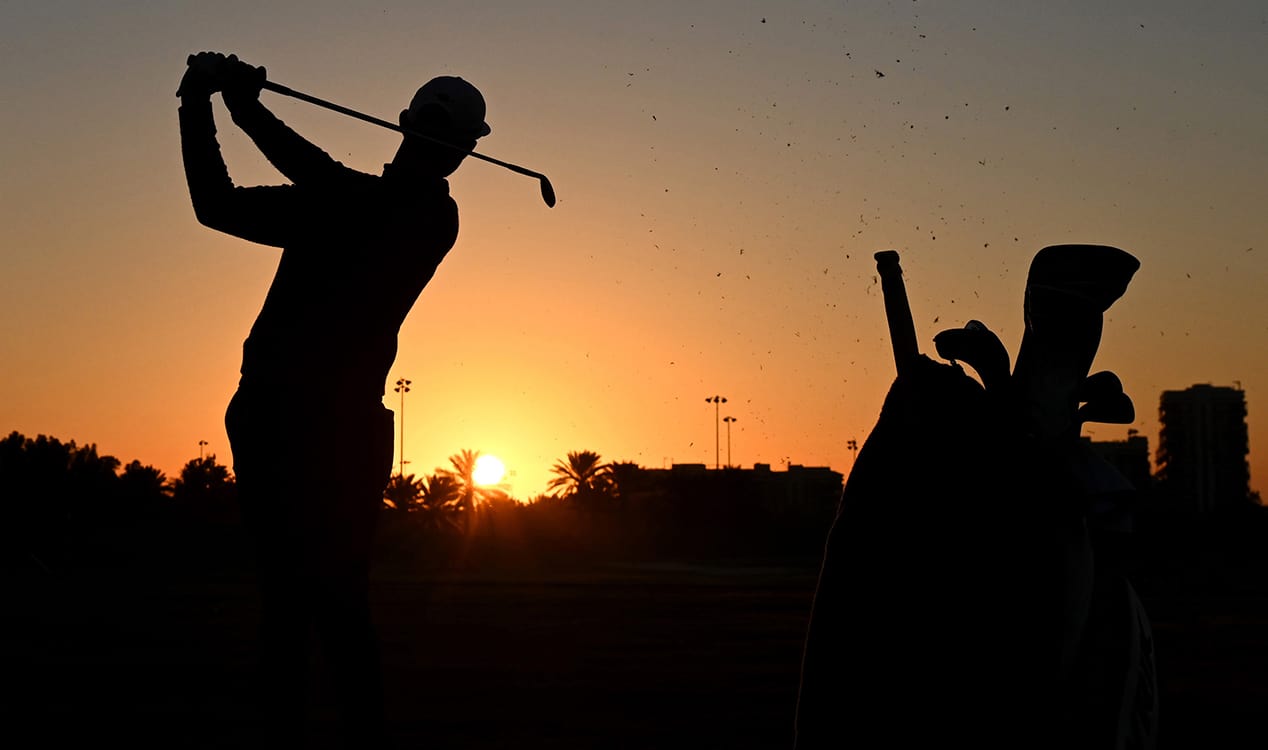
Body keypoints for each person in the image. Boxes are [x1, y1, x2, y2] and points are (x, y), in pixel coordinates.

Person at [177, 51, 490, 747]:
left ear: (463, 151)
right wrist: (196, 105)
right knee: (288, 599)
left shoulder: (427, 218)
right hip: (272, 415)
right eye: (433, 127)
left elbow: (327, 181)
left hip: (337, 427)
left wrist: (242, 105)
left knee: (337, 600)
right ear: (408, 124)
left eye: (449, 135)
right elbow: (215, 205)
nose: (438, 143)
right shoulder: (338, 202)